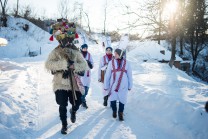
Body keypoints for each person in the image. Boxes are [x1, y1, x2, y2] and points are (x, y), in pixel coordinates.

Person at [45, 19, 88, 134]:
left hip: (73, 83)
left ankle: (73, 111)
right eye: (63, 39)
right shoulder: (56, 51)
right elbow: (48, 64)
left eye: (68, 39)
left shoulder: (75, 51)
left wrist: (74, 66)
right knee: (62, 104)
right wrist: (63, 65)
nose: (66, 41)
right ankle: (64, 124)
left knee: (78, 102)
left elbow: (84, 64)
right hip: (60, 83)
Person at [104, 48, 133, 121]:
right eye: (114, 53)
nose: (115, 55)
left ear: (120, 54)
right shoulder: (111, 62)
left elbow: (129, 75)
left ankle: (120, 113)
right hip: (113, 83)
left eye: (116, 53)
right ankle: (114, 110)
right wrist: (106, 85)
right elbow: (107, 75)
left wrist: (130, 85)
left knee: (122, 99)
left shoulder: (127, 63)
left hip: (124, 84)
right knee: (112, 98)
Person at [80, 44, 94, 108]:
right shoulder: (79, 54)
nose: (85, 49)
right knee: (82, 88)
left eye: (86, 48)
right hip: (81, 74)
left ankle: (82, 99)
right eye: (84, 48)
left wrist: (89, 63)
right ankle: (83, 101)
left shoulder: (89, 55)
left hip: (87, 73)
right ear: (81, 48)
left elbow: (92, 64)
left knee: (86, 89)